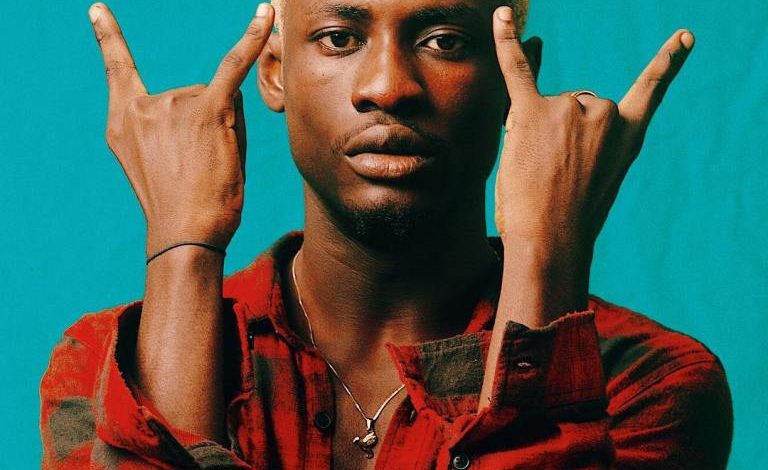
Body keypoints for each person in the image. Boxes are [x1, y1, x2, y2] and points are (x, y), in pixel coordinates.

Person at [40, 0, 733, 468]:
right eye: (339, 38)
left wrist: (548, 253)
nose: (388, 86)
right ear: (275, 73)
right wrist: (182, 247)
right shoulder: (104, 364)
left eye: (443, 41)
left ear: (514, 79)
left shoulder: (647, 384)